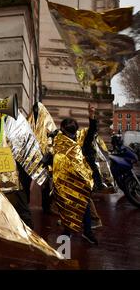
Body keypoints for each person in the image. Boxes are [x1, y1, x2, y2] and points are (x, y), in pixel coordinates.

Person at [54, 104, 99, 245]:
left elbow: (91, 131)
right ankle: (67, 233)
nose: (71, 135)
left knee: (84, 206)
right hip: (65, 181)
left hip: (80, 181)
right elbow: (53, 155)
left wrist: (91, 116)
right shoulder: (58, 140)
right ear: (63, 130)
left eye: (73, 132)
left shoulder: (80, 138)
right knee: (66, 207)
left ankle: (87, 232)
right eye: (68, 132)